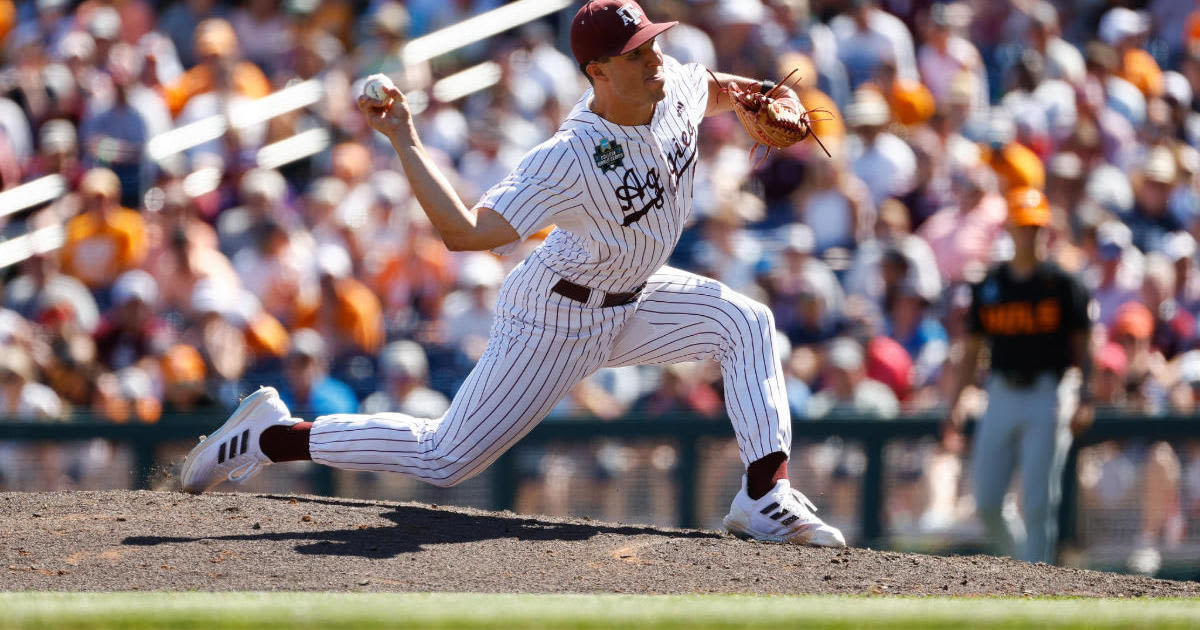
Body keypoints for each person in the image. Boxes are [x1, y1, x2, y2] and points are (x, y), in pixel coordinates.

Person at [181, 0, 845, 548]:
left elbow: (719, 89)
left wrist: (762, 98)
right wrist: (405, 141)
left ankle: (764, 495)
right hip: (556, 315)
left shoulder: (674, 83)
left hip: (633, 298)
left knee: (746, 320)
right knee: (445, 458)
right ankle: (269, 434)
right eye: (636, 52)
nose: (654, 58)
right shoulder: (568, 157)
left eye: (651, 43)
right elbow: (465, 233)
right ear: (599, 71)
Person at [942, 187, 1094, 564]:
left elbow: (1085, 344)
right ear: (1010, 228)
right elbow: (972, 350)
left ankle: (1035, 582)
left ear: (1046, 230)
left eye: (1035, 227)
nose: (1029, 234)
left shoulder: (1062, 283)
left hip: (1049, 391)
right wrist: (956, 402)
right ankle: (1026, 568)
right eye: (1023, 226)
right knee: (988, 501)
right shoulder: (991, 285)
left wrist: (1086, 396)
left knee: (1040, 501)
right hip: (1001, 391)